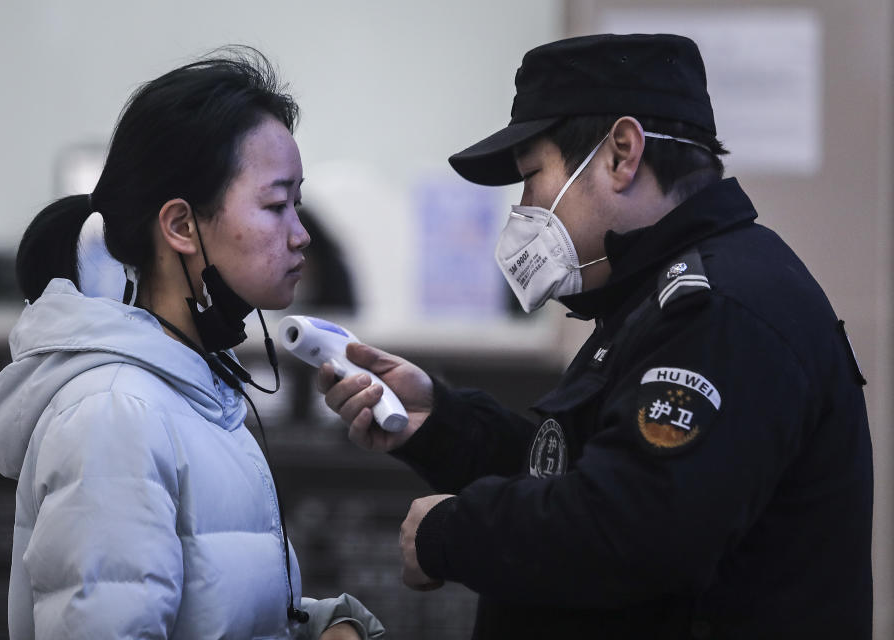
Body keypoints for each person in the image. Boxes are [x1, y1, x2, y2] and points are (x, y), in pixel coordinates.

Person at [318, 34, 873, 638]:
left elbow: (635, 527)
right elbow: (580, 473)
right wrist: (441, 425)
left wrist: (449, 534)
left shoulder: (720, 312)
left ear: (621, 153)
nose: (525, 207)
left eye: (532, 176)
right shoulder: (652, 297)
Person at [0, 48, 383, 640]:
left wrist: (327, 626)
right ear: (181, 226)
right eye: (275, 205)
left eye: (298, 203)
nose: (301, 235)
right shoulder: (116, 414)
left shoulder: (191, 391)